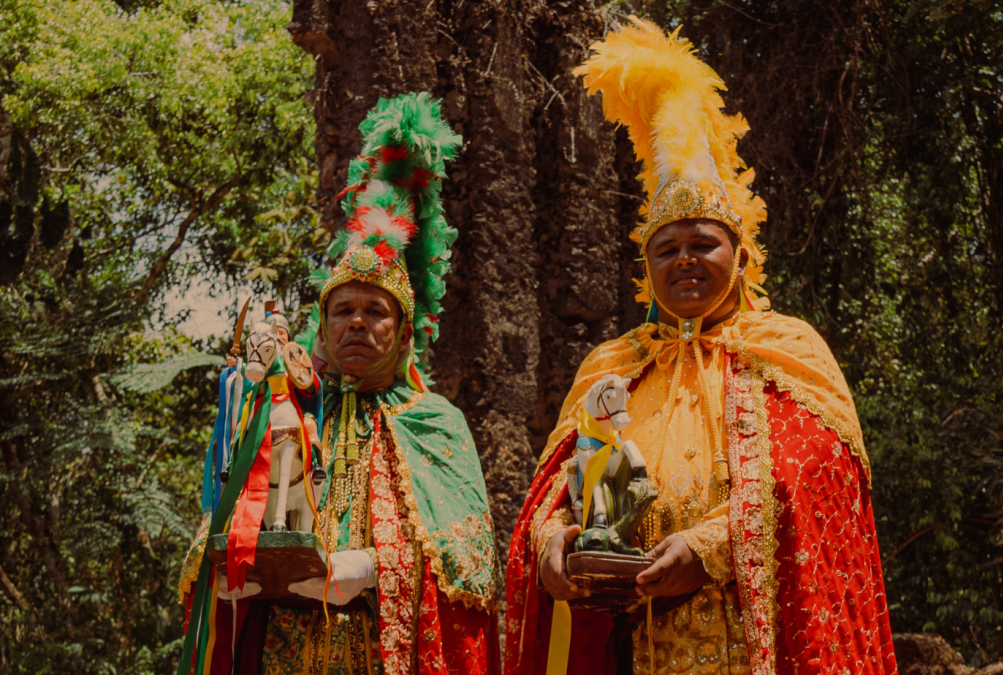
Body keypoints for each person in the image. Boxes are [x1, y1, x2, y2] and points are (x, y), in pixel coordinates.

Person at [504, 18, 897, 675]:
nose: (685, 259)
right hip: (628, 646)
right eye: (668, 248)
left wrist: (709, 548)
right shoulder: (612, 365)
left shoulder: (787, 349)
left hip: (749, 644)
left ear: (742, 259)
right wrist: (554, 546)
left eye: (703, 243)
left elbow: (816, 486)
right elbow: (552, 495)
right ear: (647, 267)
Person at [178, 92, 500, 675]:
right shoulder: (285, 406)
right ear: (320, 332)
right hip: (280, 652)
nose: (357, 320)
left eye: (375, 312)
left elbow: (472, 563)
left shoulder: (435, 421)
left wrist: (373, 569)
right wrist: (221, 564)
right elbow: (225, 507)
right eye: (342, 310)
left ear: (405, 336)